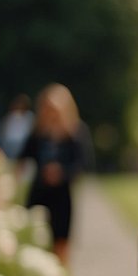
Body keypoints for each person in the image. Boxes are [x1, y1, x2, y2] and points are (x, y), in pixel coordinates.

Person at [18, 84, 89, 265]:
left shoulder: (75, 133)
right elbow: (22, 158)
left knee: (61, 244)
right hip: (39, 193)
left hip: (62, 197)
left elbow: (81, 165)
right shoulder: (38, 134)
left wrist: (61, 172)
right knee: (34, 240)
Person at [0, 93, 35, 160]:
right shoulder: (10, 116)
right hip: (9, 143)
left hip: (24, 143)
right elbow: (4, 131)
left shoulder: (30, 117)